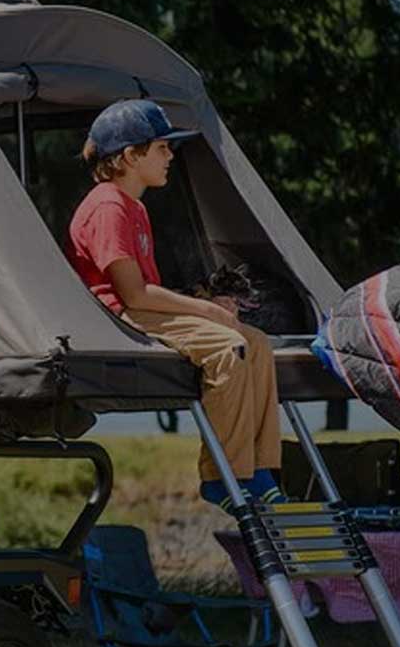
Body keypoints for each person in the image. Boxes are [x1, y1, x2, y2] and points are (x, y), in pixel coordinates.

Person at [65, 99, 286, 510]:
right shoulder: (108, 206)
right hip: (118, 318)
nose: (170, 155)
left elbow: (148, 289)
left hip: (139, 311)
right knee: (227, 347)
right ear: (131, 155)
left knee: (256, 343)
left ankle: (259, 468)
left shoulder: (134, 208)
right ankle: (223, 476)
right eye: (162, 147)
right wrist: (207, 311)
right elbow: (131, 295)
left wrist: (203, 301)